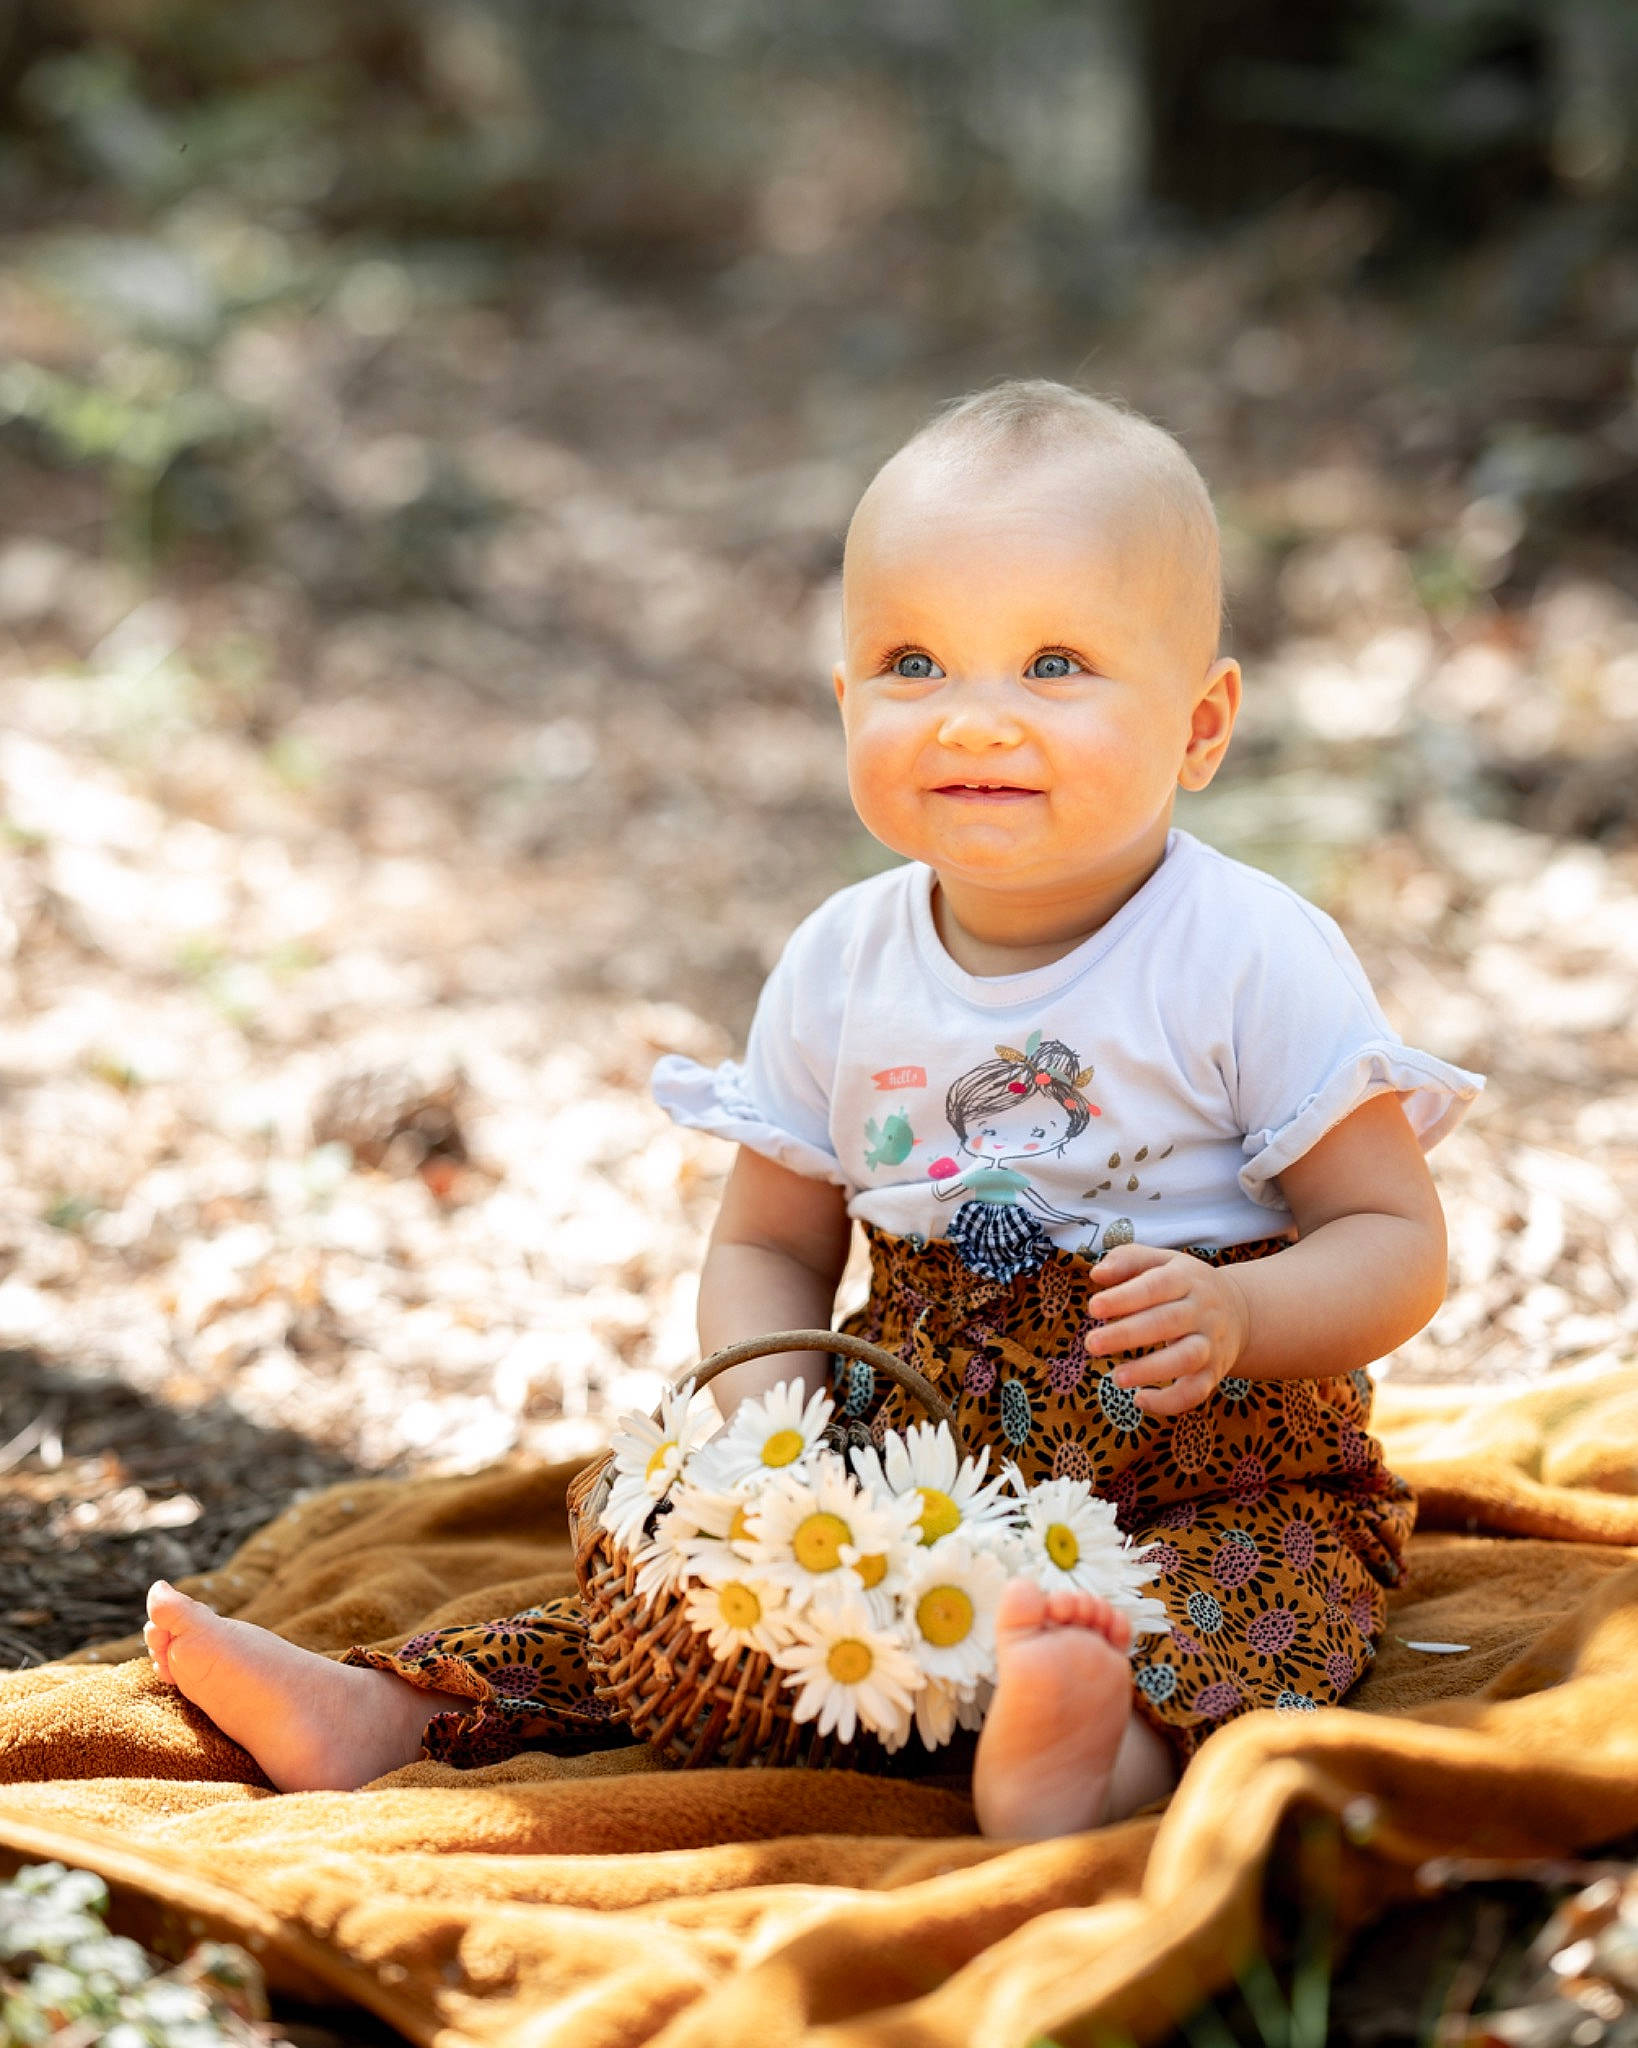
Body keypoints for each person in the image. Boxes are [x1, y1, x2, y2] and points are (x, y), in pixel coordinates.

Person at [142, 380, 1482, 1838]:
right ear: (846, 701)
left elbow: (1389, 1238)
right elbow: (770, 1247)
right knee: (674, 1601)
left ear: (1199, 724)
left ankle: (1084, 1756)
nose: (975, 715)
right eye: (913, 661)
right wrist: (766, 1433)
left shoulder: (1244, 951)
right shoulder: (844, 963)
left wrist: (1244, 1319)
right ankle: (393, 1712)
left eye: (1052, 663)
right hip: (904, 1460)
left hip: (1199, 1470)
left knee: (1243, 1609)